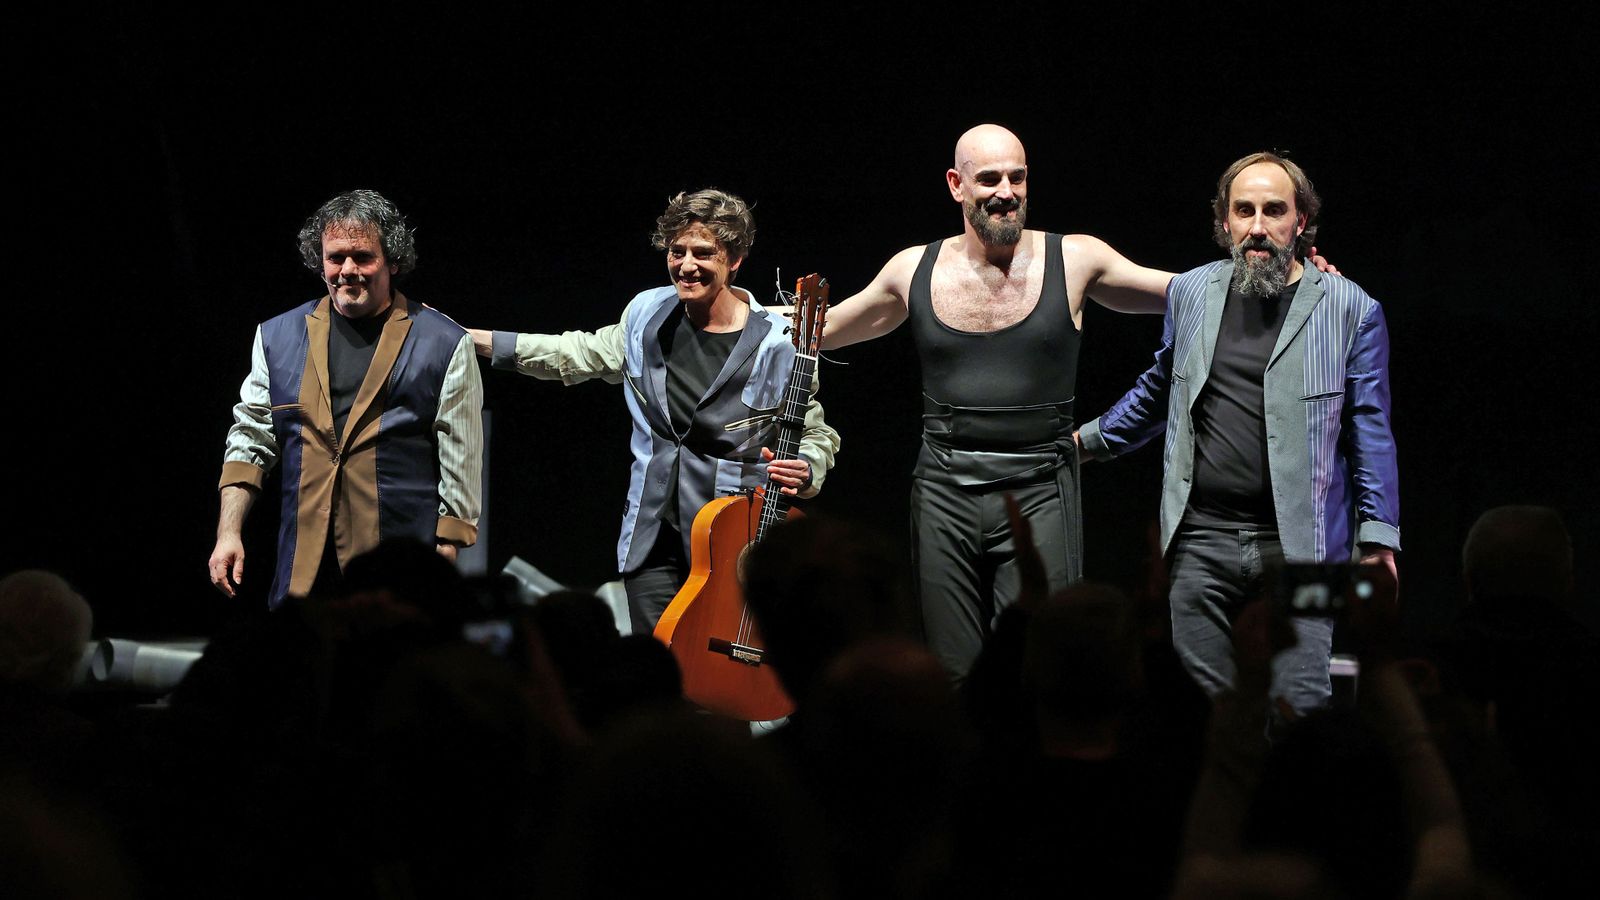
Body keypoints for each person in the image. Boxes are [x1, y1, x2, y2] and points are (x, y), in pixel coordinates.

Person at [820, 124, 1174, 684]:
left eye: (1018, 176)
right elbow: (822, 329)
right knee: (953, 671)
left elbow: (1183, 293)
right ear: (956, 185)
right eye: (989, 179)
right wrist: (721, 302)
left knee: (1044, 665)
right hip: (943, 491)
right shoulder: (913, 268)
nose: (1006, 191)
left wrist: (1285, 278)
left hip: (1041, 489)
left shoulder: (1076, 257)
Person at [1078, 151, 1399, 718]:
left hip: (1305, 551)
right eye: (1243, 210)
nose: (1257, 226)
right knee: (1200, 719)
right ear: (1223, 221)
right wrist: (1085, 443)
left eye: (1274, 210)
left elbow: (1368, 428)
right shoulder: (1193, 293)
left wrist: (1378, 540)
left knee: (1299, 713)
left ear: (1300, 222)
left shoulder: (1352, 309)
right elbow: (1159, 390)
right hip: (1201, 542)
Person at [467, 189, 840, 634]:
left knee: (726, 681)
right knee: (659, 677)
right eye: (676, 251)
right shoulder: (646, 313)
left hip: (732, 542)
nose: (686, 265)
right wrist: (474, 340)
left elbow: (815, 432)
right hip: (652, 536)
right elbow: (576, 353)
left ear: (735, 258)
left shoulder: (778, 340)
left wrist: (809, 467)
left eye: (703, 253)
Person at [209, 190, 483, 607]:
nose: (347, 270)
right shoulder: (277, 338)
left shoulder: (444, 342)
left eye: (363, 257)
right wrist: (229, 531)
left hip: (397, 575)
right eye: (336, 258)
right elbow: (250, 438)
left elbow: (460, 458)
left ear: (393, 262)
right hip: (302, 571)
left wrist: (445, 554)